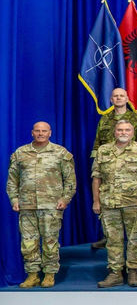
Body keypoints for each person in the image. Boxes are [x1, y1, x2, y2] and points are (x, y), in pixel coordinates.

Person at [7, 121, 75, 288]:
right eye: (37, 131)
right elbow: (12, 180)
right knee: (28, 242)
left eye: (44, 131)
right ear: (32, 133)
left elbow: (70, 180)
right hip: (26, 205)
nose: (40, 133)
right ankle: (32, 275)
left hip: (51, 205)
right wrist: (14, 199)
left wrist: (65, 199)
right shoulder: (21, 153)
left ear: (50, 133)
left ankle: (49, 274)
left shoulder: (60, 153)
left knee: (50, 241)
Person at [91, 120, 137, 288]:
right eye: (120, 130)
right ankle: (115, 273)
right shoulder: (103, 150)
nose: (123, 132)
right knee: (112, 240)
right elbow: (96, 177)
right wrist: (96, 201)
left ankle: (133, 272)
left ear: (132, 133)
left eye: (127, 130)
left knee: (134, 239)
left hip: (133, 202)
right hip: (109, 202)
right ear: (115, 132)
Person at [90, 87, 137, 250]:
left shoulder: (135, 119)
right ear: (111, 99)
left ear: (127, 99)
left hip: (131, 166)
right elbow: (98, 142)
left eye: (122, 96)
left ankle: (133, 237)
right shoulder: (105, 119)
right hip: (108, 165)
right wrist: (97, 162)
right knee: (107, 201)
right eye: (115, 96)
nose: (119, 98)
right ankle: (107, 236)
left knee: (133, 202)